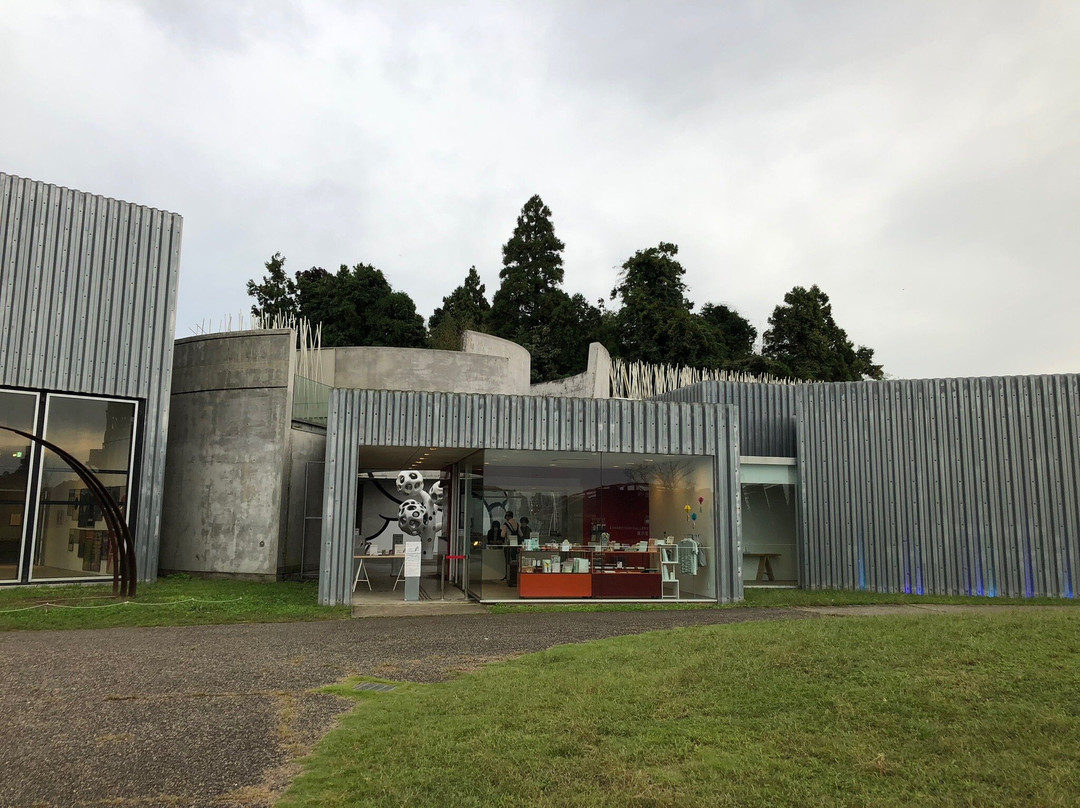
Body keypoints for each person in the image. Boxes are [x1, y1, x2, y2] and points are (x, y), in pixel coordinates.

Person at [502, 512, 521, 585]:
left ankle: (508, 576)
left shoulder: (505, 525)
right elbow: (521, 534)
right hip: (515, 545)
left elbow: (503, 535)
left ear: (506, 517)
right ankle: (514, 576)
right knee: (515, 561)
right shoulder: (517, 524)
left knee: (507, 561)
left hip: (508, 545)